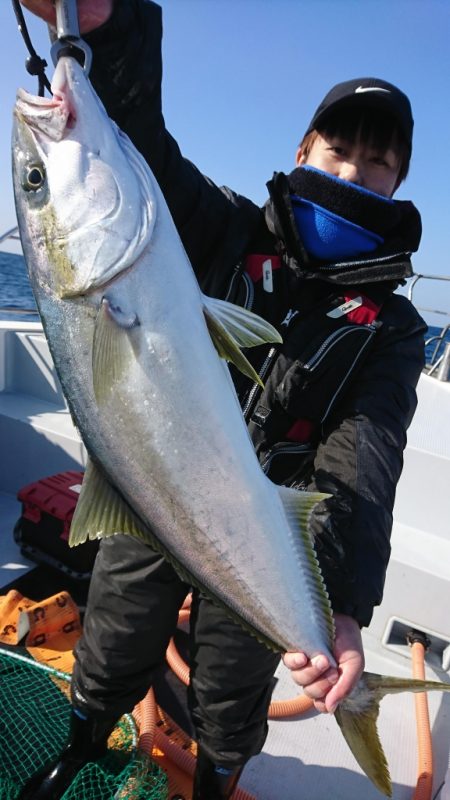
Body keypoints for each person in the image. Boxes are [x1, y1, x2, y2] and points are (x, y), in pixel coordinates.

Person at [18, 1, 426, 798]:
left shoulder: (395, 329)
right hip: (149, 492)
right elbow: (136, 137)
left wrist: (340, 603)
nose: (351, 173)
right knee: (110, 643)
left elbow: (365, 455)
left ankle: (215, 783)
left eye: (376, 164)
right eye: (338, 149)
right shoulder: (223, 230)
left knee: (230, 697)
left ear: (400, 182)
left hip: (260, 532)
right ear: (302, 148)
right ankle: (81, 744)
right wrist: (105, 24)